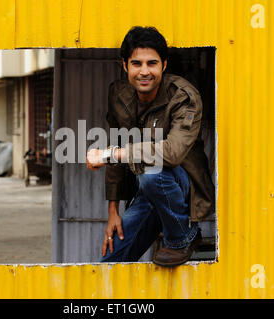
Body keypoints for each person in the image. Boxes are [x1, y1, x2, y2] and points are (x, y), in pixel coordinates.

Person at [86, 26, 215, 267]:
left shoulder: (183, 97)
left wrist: (112, 154)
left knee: (151, 171)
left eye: (152, 63)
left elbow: (173, 152)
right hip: (149, 191)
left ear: (164, 65)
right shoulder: (119, 95)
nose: (144, 71)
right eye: (137, 63)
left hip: (182, 188)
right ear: (125, 65)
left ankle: (182, 238)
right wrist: (113, 210)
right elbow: (117, 142)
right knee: (112, 261)